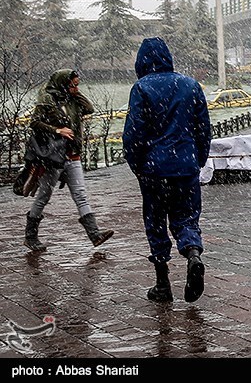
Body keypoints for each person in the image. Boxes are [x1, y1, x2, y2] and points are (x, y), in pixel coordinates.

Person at [122, 37, 211, 303]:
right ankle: (193, 254)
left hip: (154, 169)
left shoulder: (142, 88)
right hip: (185, 166)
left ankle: (163, 284)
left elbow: (134, 133)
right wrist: (198, 159)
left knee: (156, 222)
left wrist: (137, 164)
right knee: (187, 218)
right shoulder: (190, 85)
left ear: (141, 62)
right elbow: (203, 129)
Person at [23, 69, 114, 252]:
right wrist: (57, 130)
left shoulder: (73, 100)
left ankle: (94, 234)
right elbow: (34, 122)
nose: (76, 88)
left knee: (80, 194)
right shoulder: (47, 100)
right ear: (63, 84)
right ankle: (30, 236)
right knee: (44, 196)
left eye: (77, 85)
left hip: (73, 155)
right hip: (54, 157)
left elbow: (89, 108)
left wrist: (74, 92)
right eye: (73, 85)